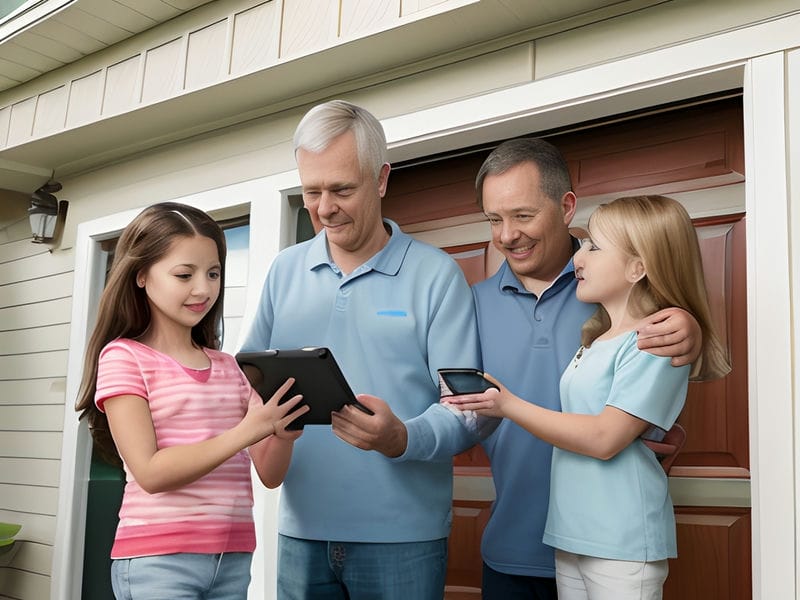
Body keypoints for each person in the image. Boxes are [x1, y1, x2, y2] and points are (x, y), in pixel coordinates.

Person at [240, 99, 484, 599]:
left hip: (404, 540)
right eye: (311, 191)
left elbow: (469, 411)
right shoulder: (284, 271)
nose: (324, 207)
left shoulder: (436, 277)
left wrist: (402, 437)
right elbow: (252, 384)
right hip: (301, 534)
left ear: (381, 179)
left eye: (341, 189)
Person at [449, 194, 730, 599]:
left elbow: (604, 438)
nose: (579, 258)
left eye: (594, 247)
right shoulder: (594, 339)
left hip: (619, 540)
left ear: (639, 267)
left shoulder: (654, 341)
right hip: (572, 537)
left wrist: (507, 404)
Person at [75, 202, 309, 600]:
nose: (203, 288)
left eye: (213, 273)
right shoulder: (124, 357)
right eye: (185, 274)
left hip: (232, 558)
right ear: (142, 276)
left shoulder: (229, 368)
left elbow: (269, 474)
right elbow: (150, 472)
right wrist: (248, 429)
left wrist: (282, 434)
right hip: (158, 561)